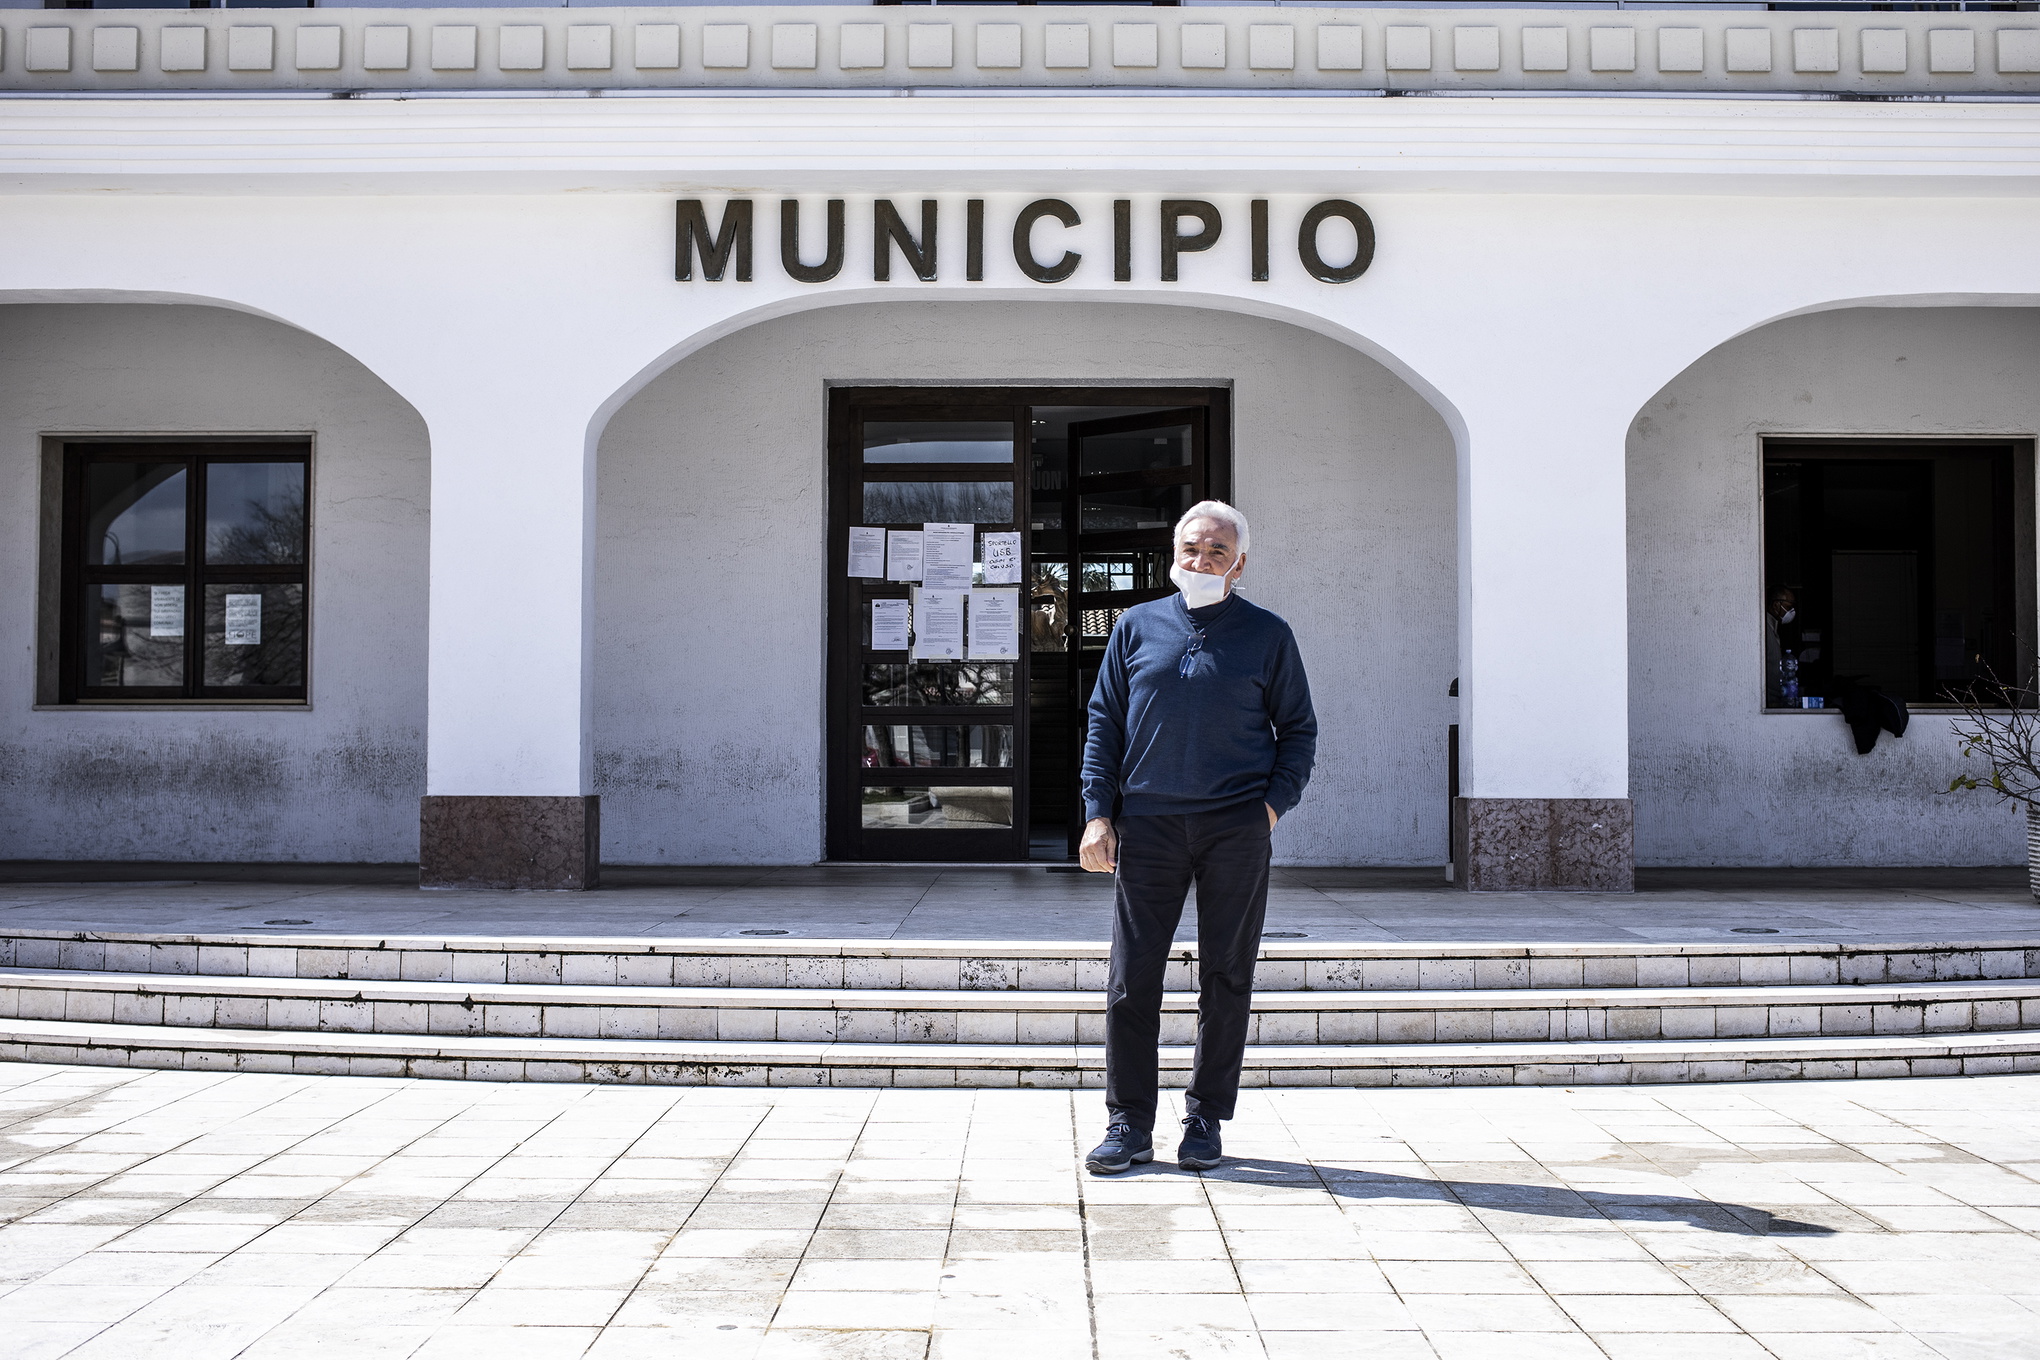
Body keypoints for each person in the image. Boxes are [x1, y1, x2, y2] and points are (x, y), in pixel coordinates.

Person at [1077, 500, 1317, 1174]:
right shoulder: (1135, 627)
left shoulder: (1268, 635)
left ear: (1239, 564)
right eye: (1192, 549)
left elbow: (1298, 730)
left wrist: (1268, 810)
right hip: (1147, 826)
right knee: (1132, 980)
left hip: (1234, 828)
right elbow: (1105, 724)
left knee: (1226, 976)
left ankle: (1206, 1119)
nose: (1202, 561)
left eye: (1217, 552)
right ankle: (1127, 1124)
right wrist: (1099, 813)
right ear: (1172, 554)